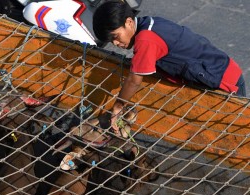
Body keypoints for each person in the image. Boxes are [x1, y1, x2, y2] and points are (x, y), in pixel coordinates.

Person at [92, 1, 247, 133]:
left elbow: (134, 80)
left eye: (116, 37)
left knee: (237, 133)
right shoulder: (149, 23)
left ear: (129, 23)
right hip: (223, 68)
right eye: (111, 41)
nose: (116, 44)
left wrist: (118, 106)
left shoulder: (146, 40)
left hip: (225, 81)